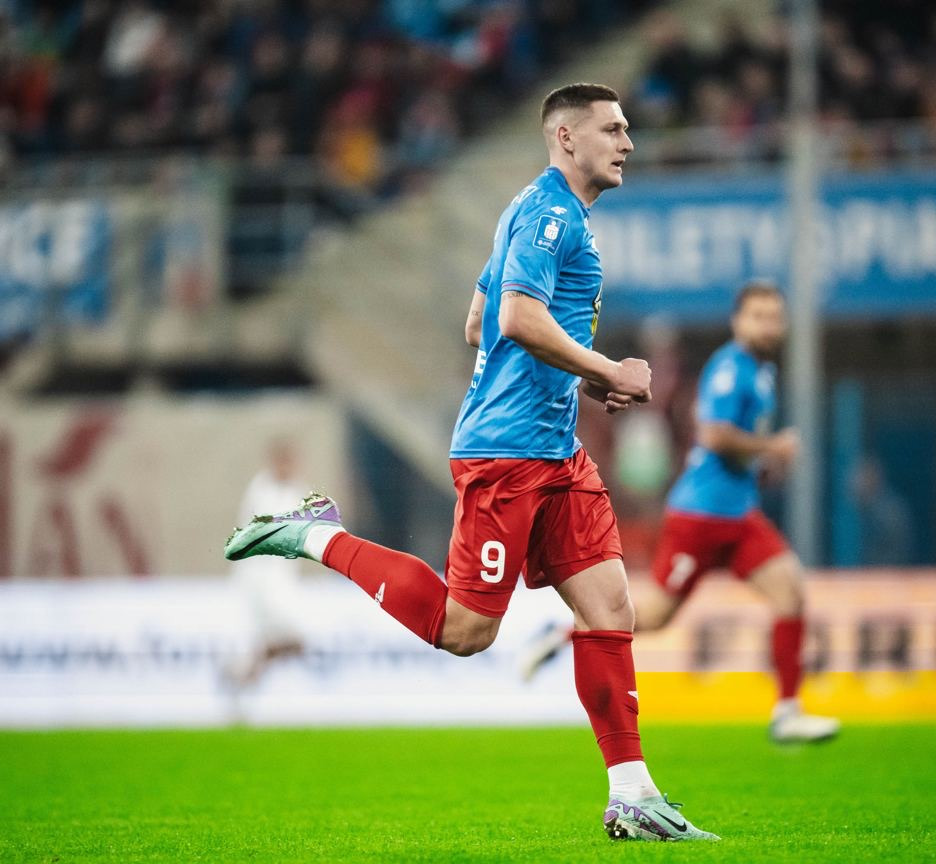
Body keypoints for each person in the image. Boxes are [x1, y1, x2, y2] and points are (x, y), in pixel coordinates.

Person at [225, 83, 717, 842]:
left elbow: (477, 320)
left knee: (610, 611)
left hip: (556, 450)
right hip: (506, 453)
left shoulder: (536, 210)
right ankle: (315, 535)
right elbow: (514, 318)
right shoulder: (552, 215)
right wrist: (607, 369)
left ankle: (632, 795)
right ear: (566, 137)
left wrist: (576, 378)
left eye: (627, 129)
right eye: (613, 129)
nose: (628, 142)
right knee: (464, 631)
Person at [522, 281, 840, 743]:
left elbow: (733, 446)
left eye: (774, 317)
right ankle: (560, 635)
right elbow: (714, 435)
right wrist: (772, 447)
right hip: (701, 517)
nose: (768, 326)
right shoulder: (731, 369)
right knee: (652, 616)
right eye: (758, 316)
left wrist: (761, 464)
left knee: (789, 589)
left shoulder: (761, 371)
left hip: (738, 514)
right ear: (738, 322)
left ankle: (788, 712)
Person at [222, 439, 311, 698]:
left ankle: (243, 672)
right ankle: (244, 671)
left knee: (292, 642)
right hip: (259, 577)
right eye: (284, 462)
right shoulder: (261, 489)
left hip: (283, 578)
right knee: (293, 638)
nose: (288, 468)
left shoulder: (298, 490)